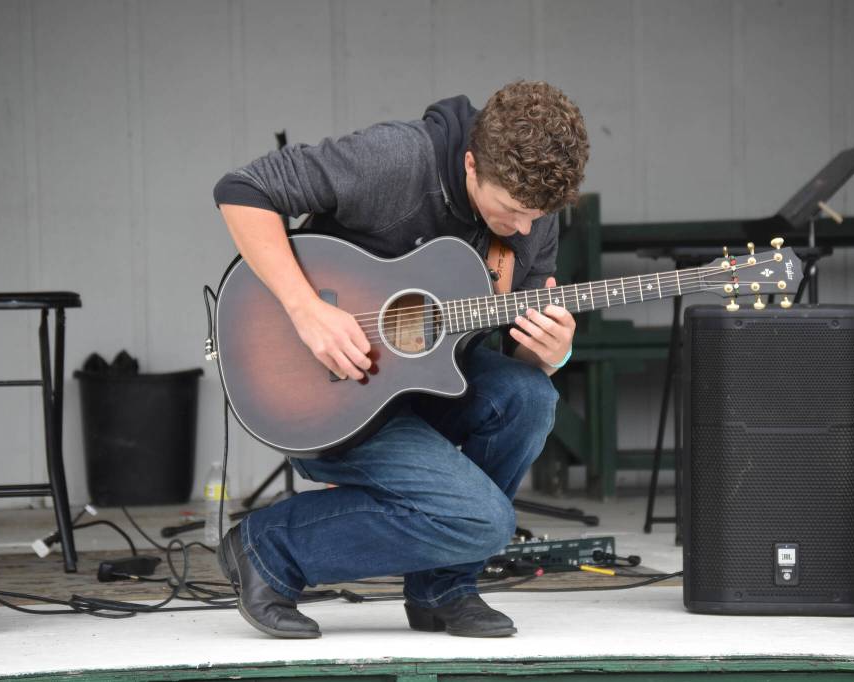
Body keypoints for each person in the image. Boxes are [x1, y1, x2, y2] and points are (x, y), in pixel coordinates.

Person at [212, 80, 589, 638]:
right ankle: (269, 548)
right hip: (333, 389)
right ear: (469, 164)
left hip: (429, 383)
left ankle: (443, 589)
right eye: (512, 210)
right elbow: (241, 189)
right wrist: (307, 309)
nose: (527, 228)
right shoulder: (396, 160)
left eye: (539, 215)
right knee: (485, 523)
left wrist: (550, 354)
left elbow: (515, 359)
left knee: (531, 394)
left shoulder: (534, 210)